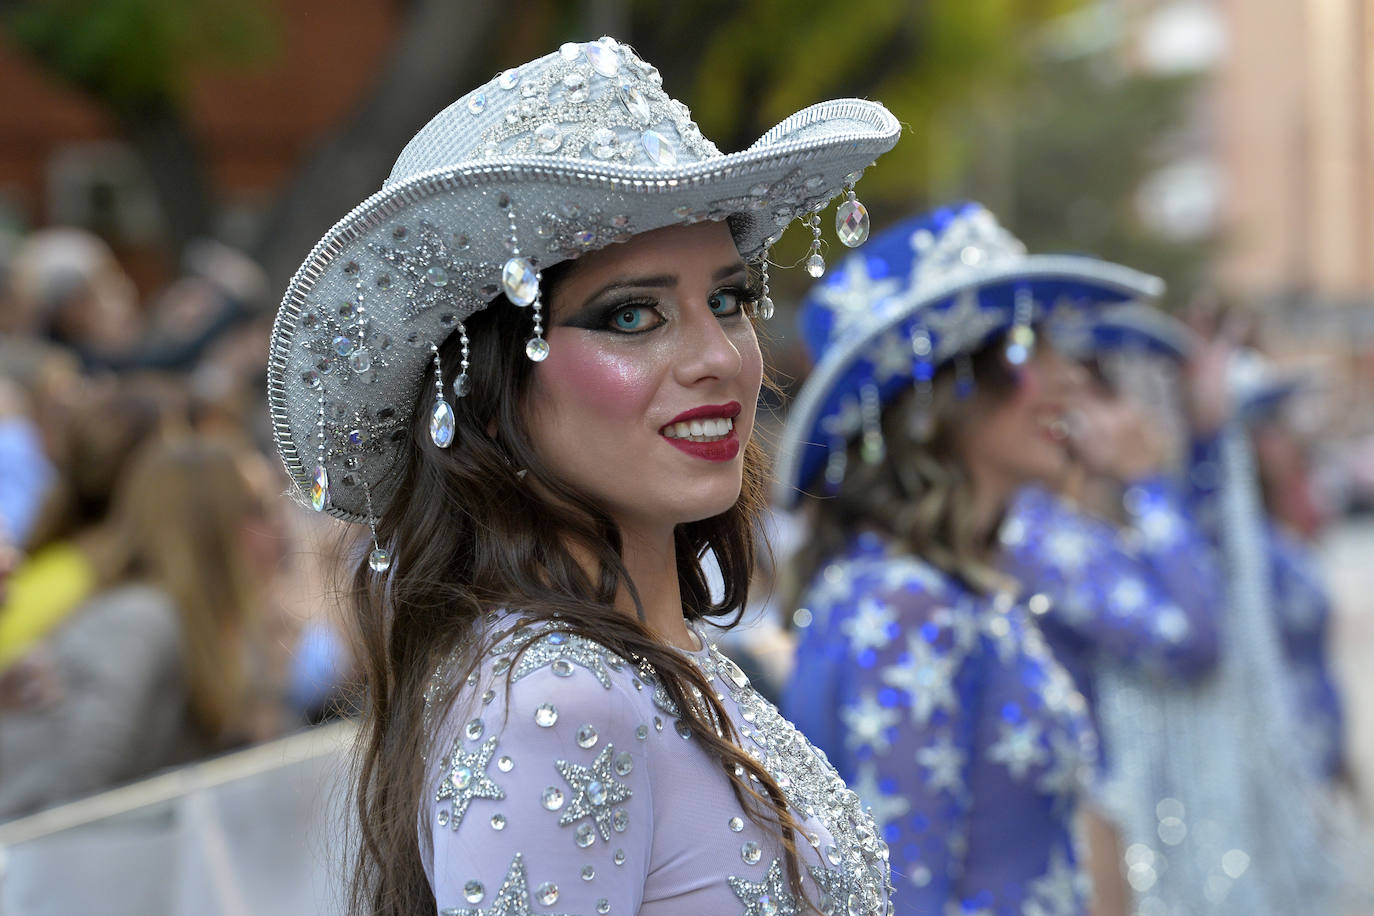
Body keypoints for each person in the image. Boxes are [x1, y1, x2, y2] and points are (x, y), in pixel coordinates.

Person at [266, 37, 901, 915]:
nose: (717, 357)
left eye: (727, 301)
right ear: (486, 392)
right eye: (633, 315)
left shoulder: (653, 656)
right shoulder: (557, 702)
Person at [776, 202, 1165, 914]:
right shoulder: (902, 605)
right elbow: (902, 901)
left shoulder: (950, 586)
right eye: (1027, 347)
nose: (1070, 377)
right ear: (939, 394)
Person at [0, 434, 290, 818]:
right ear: (211, 528)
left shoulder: (229, 631)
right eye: (259, 508)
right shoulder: (141, 620)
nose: (282, 527)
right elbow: (72, 799)